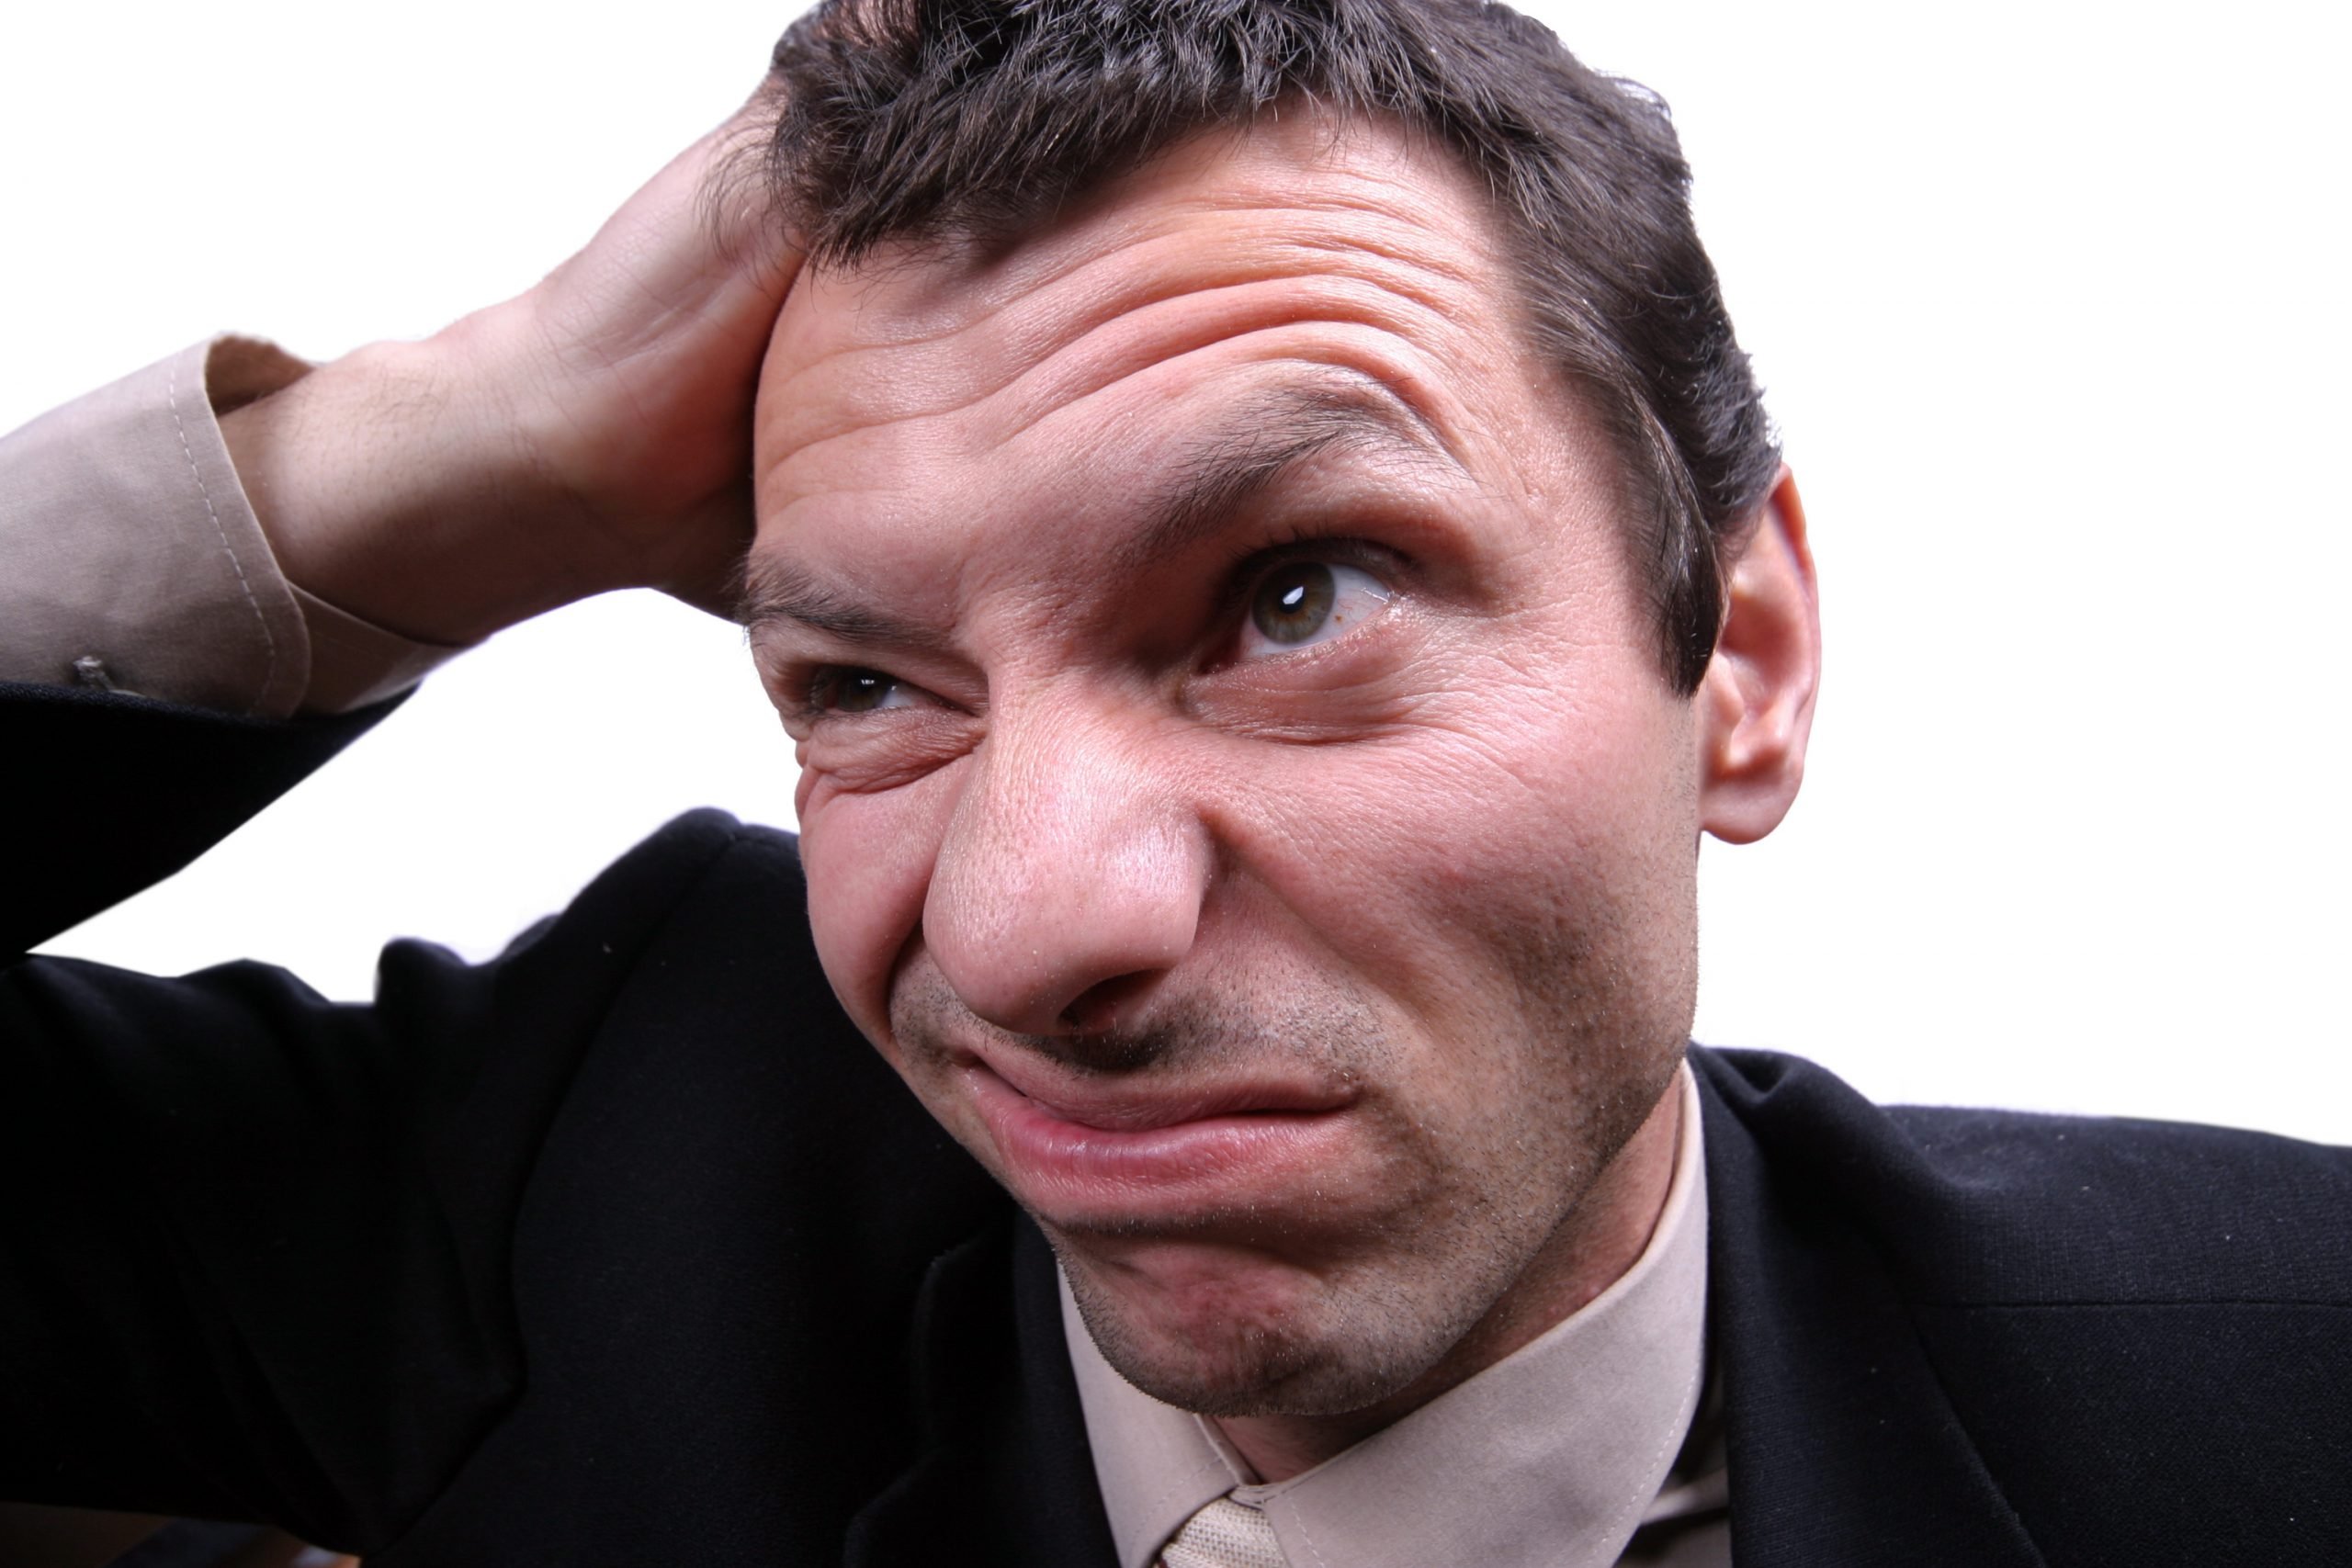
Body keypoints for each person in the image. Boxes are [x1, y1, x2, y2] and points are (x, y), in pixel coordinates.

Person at [3, 3, 2346, 1565]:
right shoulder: (601, 1157)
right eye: (863, 679)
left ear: (1733, 652)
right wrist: (452, 448)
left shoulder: (2280, 1391)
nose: (1026, 922)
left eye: (1292, 595)